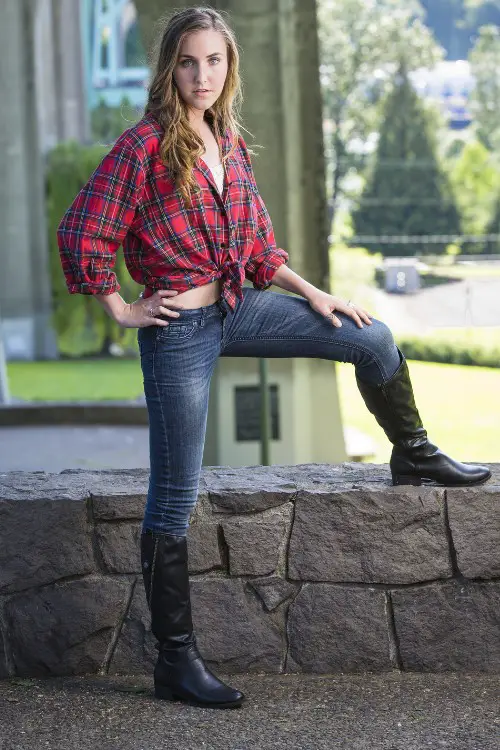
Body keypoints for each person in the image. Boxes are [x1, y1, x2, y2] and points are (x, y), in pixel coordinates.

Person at [57, 6, 490, 711]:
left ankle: (412, 450)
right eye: (189, 62)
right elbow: (83, 232)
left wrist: (315, 293)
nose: (202, 76)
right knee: (174, 496)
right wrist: (122, 307)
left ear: (230, 68)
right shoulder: (141, 147)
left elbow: (256, 249)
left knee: (370, 335)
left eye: (215, 61)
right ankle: (175, 662)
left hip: (239, 307)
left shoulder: (227, 138)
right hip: (179, 331)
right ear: (170, 67)